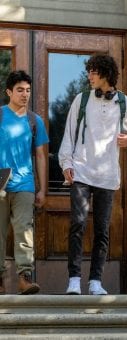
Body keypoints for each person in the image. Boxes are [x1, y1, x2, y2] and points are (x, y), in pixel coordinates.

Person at [59, 54, 127, 295]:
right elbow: (69, 134)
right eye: (89, 72)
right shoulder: (81, 99)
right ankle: (74, 279)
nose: (90, 76)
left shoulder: (125, 102)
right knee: (78, 224)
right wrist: (66, 164)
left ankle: (96, 281)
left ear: (106, 73)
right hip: (82, 170)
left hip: (107, 175)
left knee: (102, 229)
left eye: (94, 71)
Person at [0, 70, 49, 294]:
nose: (25, 94)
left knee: (24, 230)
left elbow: (40, 155)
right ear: (9, 92)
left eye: (28, 90)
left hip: (24, 185)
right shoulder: (0, 115)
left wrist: (42, 189)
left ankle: (24, 278)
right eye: (20, 90)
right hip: (0, 184)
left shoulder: (34, 120)